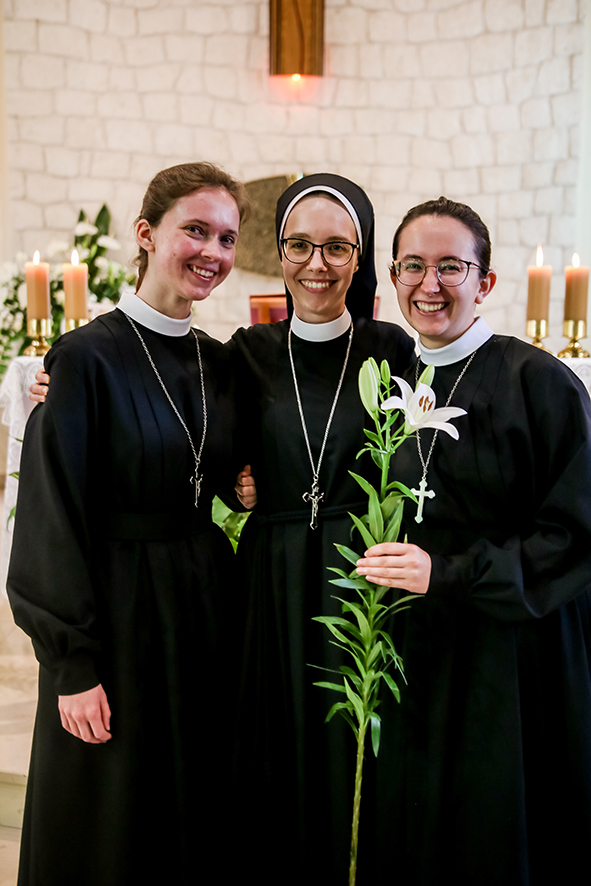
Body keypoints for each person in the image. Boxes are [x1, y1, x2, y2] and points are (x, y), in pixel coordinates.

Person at [8, 162, 251, 885]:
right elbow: (52, 510)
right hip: (116, 613)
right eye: (195, 230)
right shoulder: (83, 357)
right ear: (146, 235)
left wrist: (245, 484)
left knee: (192, 809)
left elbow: (235, 467)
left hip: (203, 606)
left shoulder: (220, 361)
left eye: (228, 237)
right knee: (112, 813)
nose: (212, 250)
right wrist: (71, 664)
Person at [356, 197, 591, 885]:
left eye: (450, 267)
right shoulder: (398, 383)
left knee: (496, 828)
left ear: (484, 282)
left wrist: (452, 573)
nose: (429, 284)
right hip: (419, 653)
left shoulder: (538, 382)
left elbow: (575, 535)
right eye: (412, 266)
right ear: (392, 278)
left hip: (513, 659)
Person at [229, 174, 415, 884]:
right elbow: (197, 426)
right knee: (274, 747)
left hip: (359, 578)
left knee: (354, 753)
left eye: (336, 247)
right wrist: (53, 378)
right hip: (269, 576)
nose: (316, 263)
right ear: (278, 252)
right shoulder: (247, 350)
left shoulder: (393, 348)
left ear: (361, 257)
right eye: (299, 245)